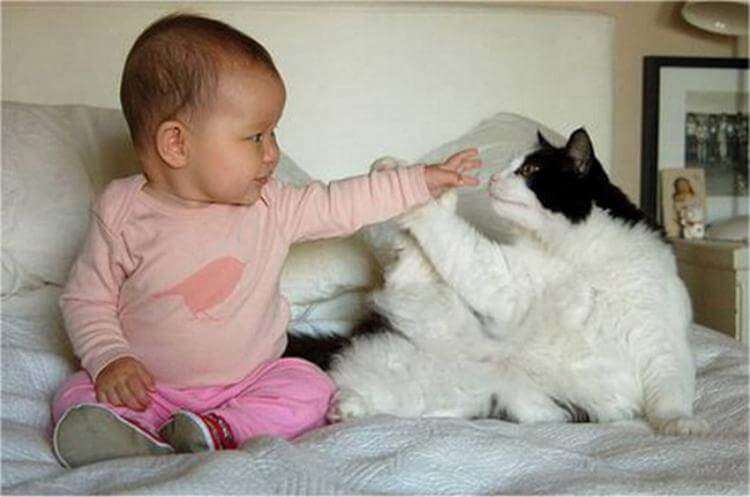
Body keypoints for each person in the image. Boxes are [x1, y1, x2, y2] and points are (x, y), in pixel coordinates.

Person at [51, 13, 482, 468]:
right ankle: (132, 433)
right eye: (256, 136)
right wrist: (110, 358)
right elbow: (86, 299)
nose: (273, 152)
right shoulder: (122, 211)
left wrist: (419, 181)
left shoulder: (271, 206)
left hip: (247, 384)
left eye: (273, 133)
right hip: (150, 389)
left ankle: (218, 429)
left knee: (312, 387)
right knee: (74, 394)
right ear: (177, 144)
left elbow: (341, 203)